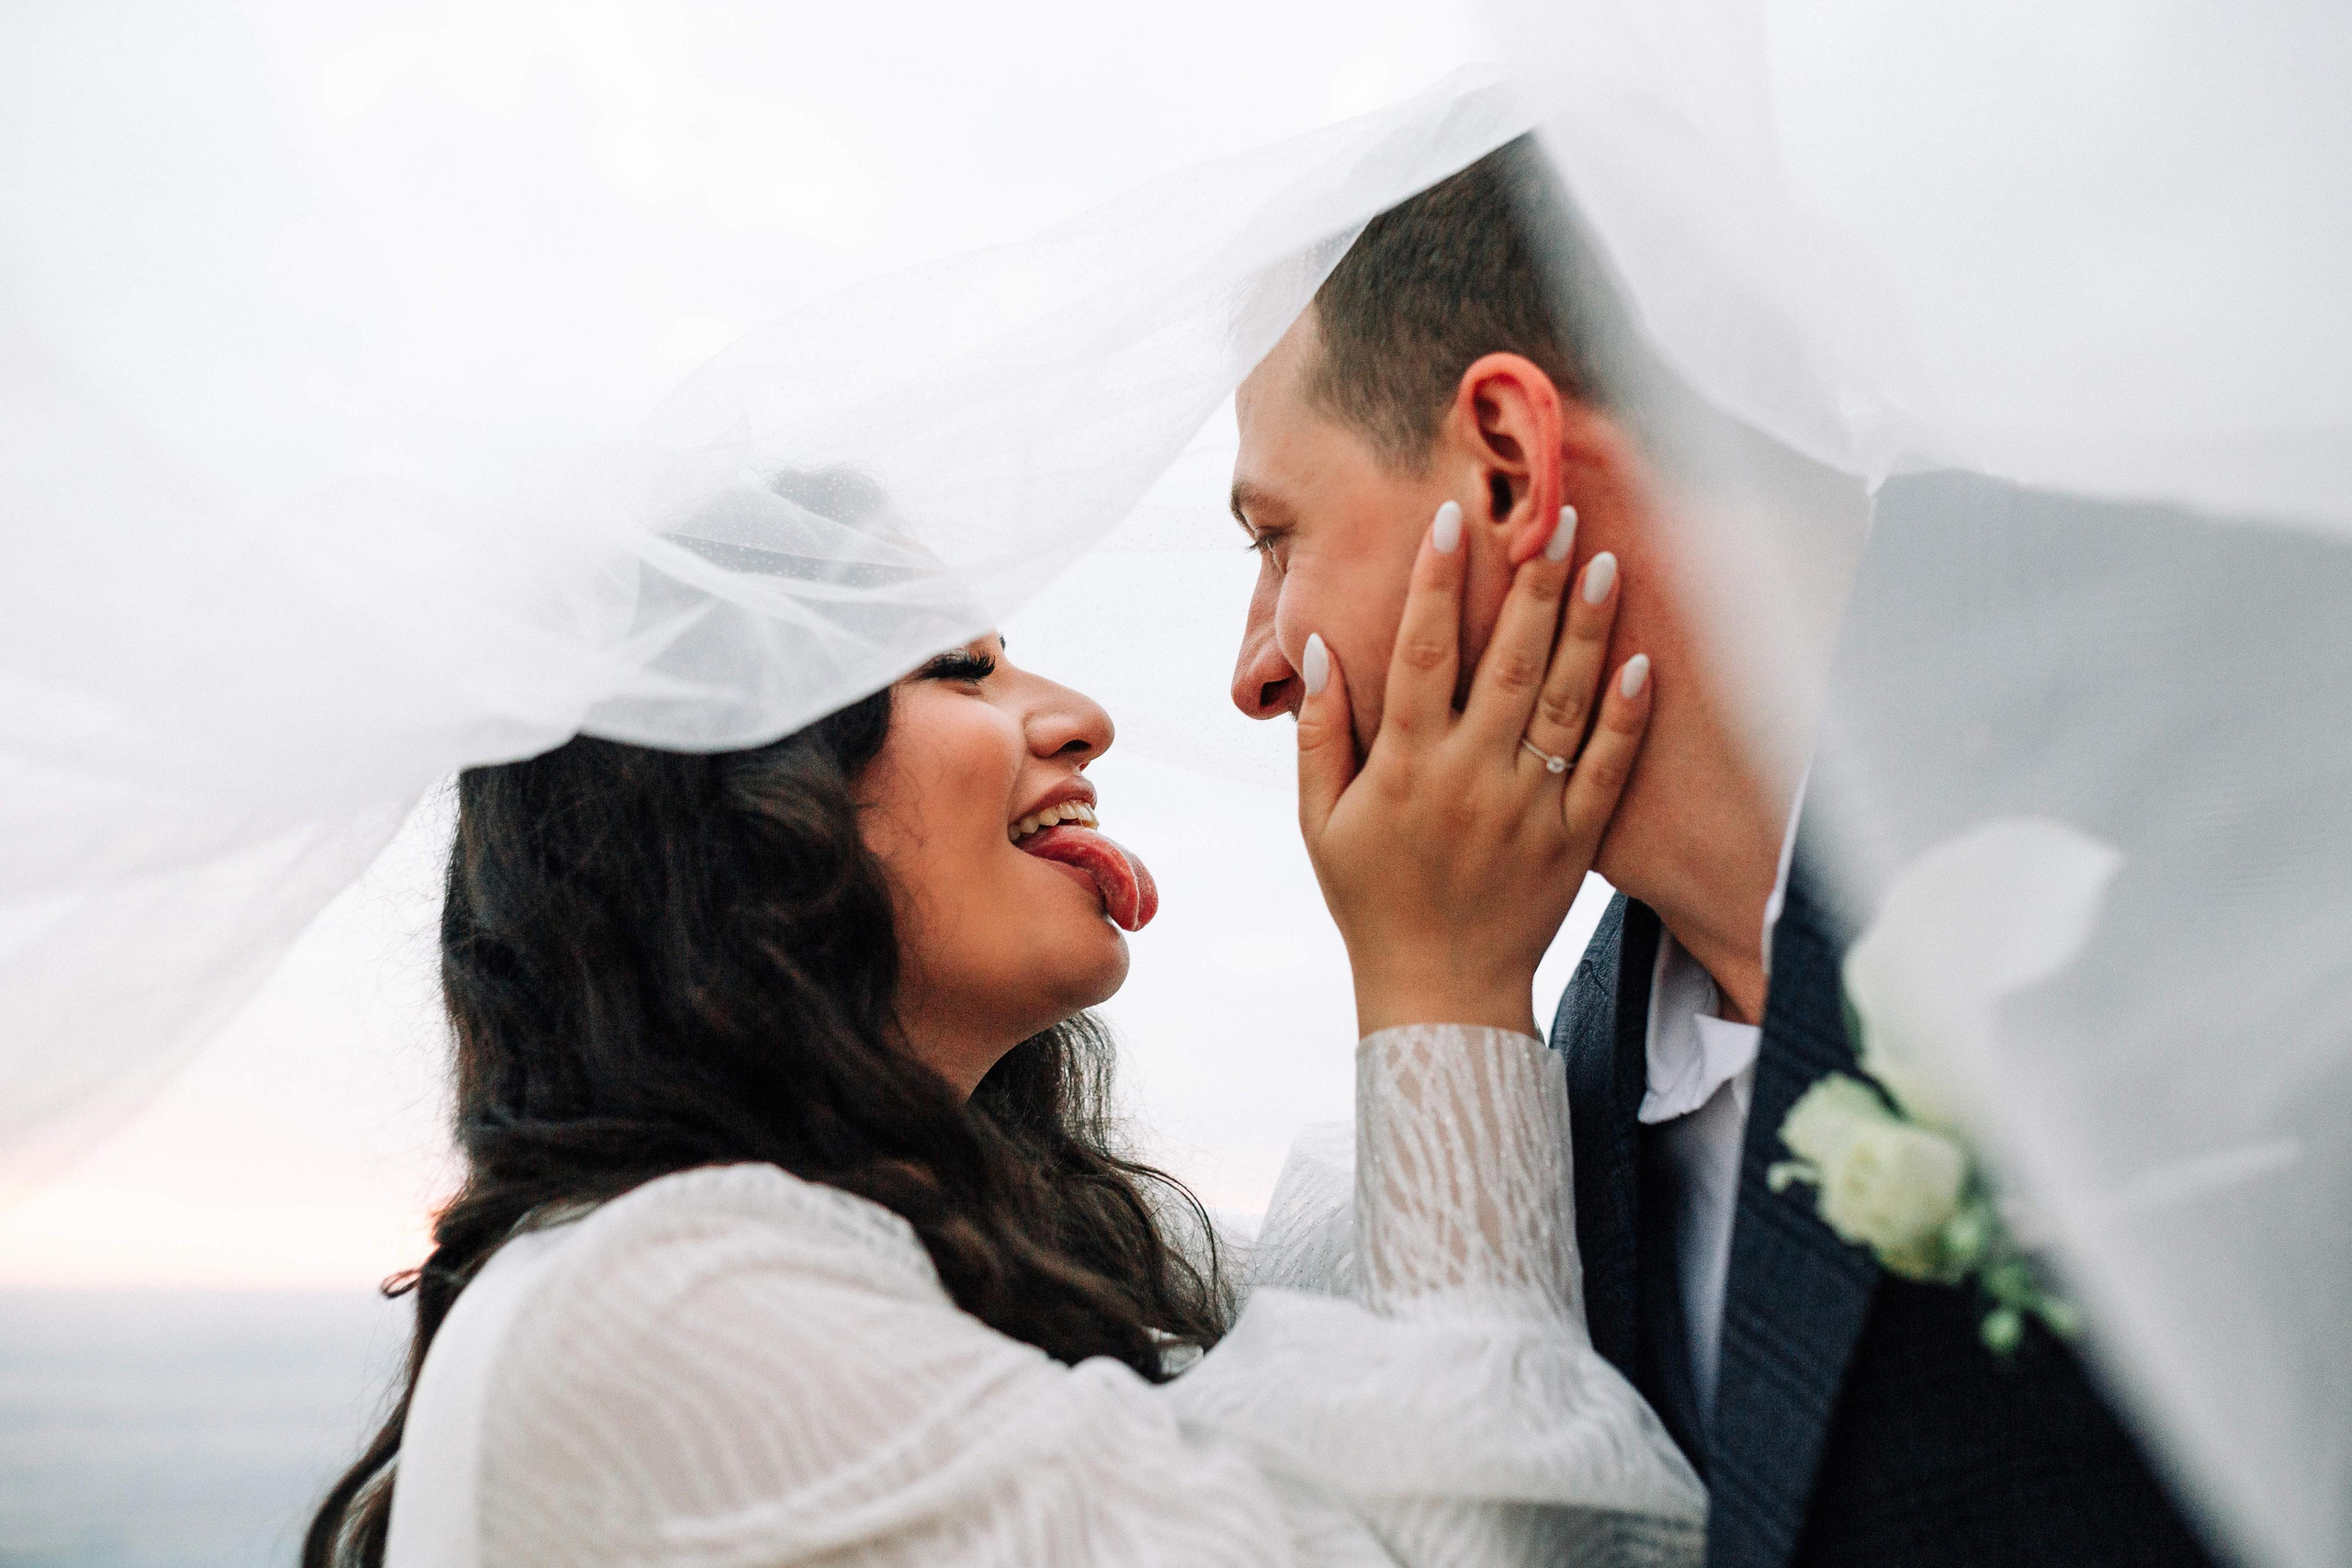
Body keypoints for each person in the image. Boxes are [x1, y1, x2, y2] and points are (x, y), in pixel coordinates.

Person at [301, 486, 1702, 1568]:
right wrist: (1440, 979)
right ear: (739, 801)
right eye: (959, 668)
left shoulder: (887, 1271)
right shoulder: (671, 1307)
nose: (1082, 718)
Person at [1227, 136, 2222, 1568]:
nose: (1255, 672)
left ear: (1508, 466)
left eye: (1276, 535)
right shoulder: (1548, 1101)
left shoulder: (2188, 717)